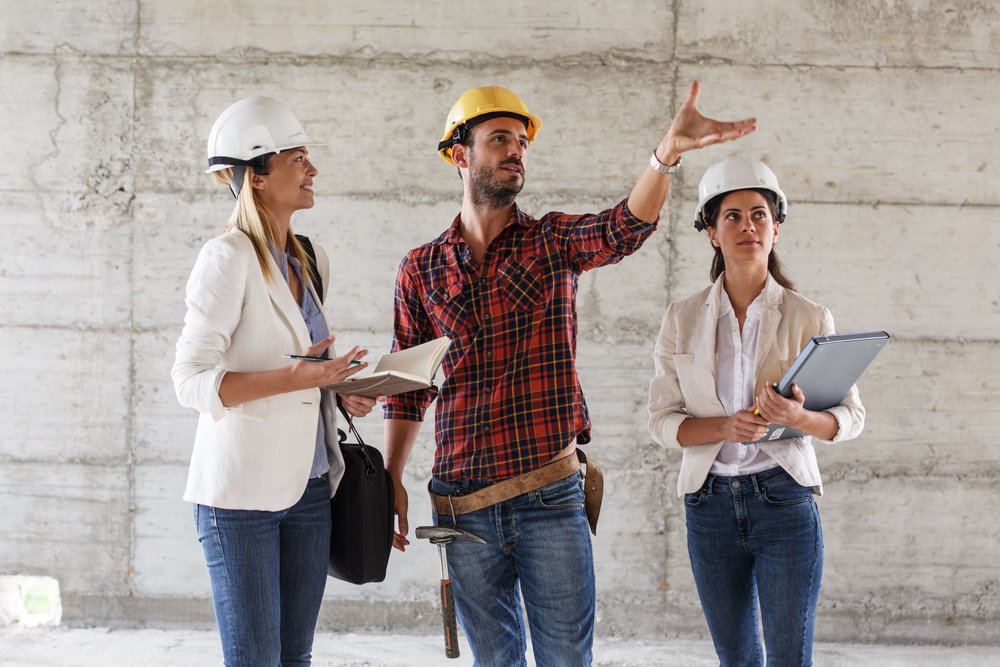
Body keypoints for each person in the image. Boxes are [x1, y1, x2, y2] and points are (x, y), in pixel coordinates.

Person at [383, 82, 756, 666]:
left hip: (549, 499)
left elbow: (624, 228)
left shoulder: (551, 241)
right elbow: (408, 390)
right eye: (499, 139)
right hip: (461, 505)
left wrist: (666, 154)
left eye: (522, 143)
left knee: (565, 660)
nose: (516, 152)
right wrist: (390, 478)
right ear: (460, 155)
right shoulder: (420, 269)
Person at [172, 96, 377, 666]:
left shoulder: (309, 258)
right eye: (298, 158)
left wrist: (341, 389)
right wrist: (294, 377)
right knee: (256, 660)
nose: (312, 170)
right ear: (256, 175)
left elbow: (305, 365)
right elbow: (190, 381)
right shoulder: (226, 257)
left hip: (310, 488)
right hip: (239, 498)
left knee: (295, 658)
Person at [647, 155, 867, 667]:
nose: (748, 225)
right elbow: (661, 422)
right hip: (709, 508)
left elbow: (851, 417)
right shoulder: (681, 318)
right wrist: (725, 426)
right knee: (737, 660)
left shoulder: (809, 316)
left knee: (790, 658)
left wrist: (798, 420)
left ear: (776, 228)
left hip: (784, 502)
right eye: (732, 216)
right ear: (711, 232)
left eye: (759, 215)